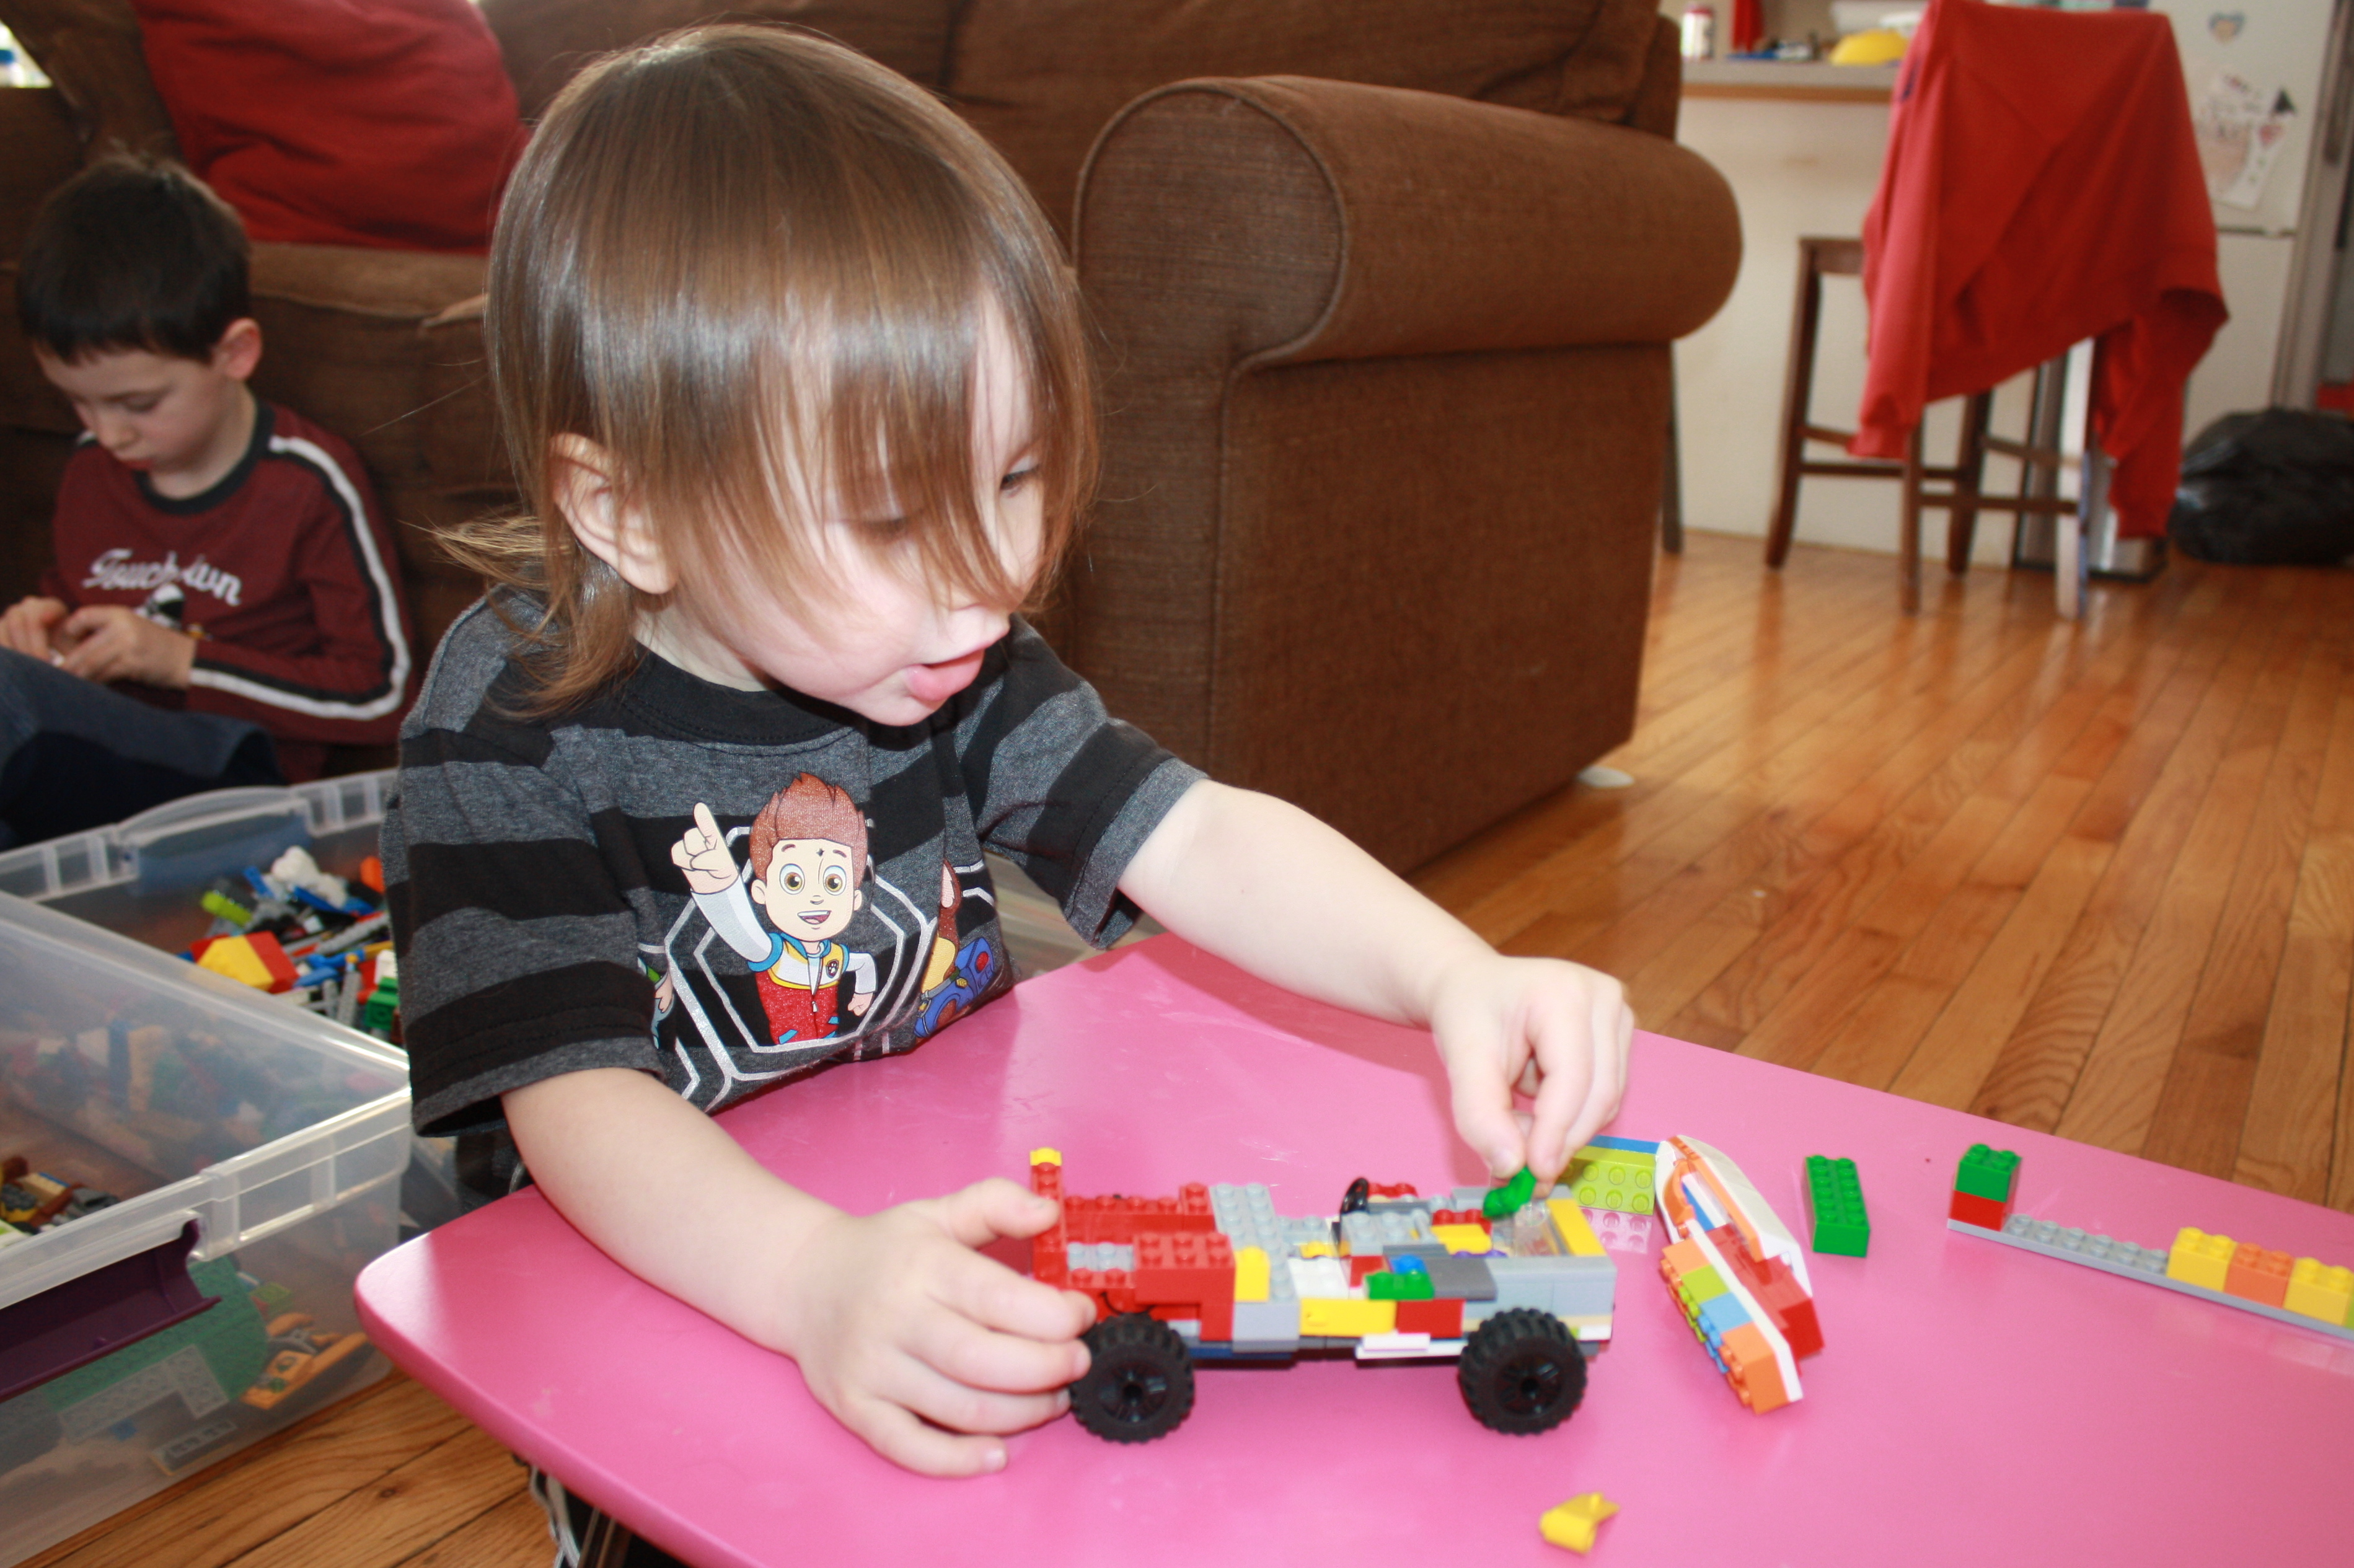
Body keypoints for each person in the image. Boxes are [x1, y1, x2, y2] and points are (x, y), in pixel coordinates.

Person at [384, 24, 1631, 1554]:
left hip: (930, 1244)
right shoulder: (508, 724)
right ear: (625, 509)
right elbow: (575, 1100)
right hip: (671, 1284)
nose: (988, 579)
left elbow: (1197, 833)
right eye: (889, 517)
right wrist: (808, 1280)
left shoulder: (946, 658)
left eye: (1017, 476)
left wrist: (1450, 971)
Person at [0, 156, 413, 847]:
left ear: (236, 353)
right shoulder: (91, 467)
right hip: (106, 758)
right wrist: (46, 627)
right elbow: (78, 594)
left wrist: (183, 662)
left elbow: (383, 696)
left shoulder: (308, 480)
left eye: (138, 404)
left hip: (239, 773)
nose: (108, 433)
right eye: (78, 402)